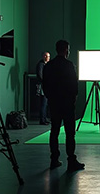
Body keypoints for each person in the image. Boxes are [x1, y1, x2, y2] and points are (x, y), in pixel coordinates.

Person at [42, 40, 85, 171]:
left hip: (54, 103)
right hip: (67, 104)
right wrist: (73, 99)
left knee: (54, 131)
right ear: (66, 49)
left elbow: (45, 85)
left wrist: (51, 98)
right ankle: (71, 160)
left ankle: (54, 159)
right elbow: (74, 84)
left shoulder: (49, 66)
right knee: (69, 133)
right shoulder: (69, 65)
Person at [35, 51, 50, 125]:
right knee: (43, 104)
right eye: (48, 56)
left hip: (45, 86)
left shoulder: (45, 64)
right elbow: (40, 75)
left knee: (45, 103)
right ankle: (42, 120)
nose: (49, 58)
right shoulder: (41, 64)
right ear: (44, 56)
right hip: (42, 86)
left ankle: (44, 118)